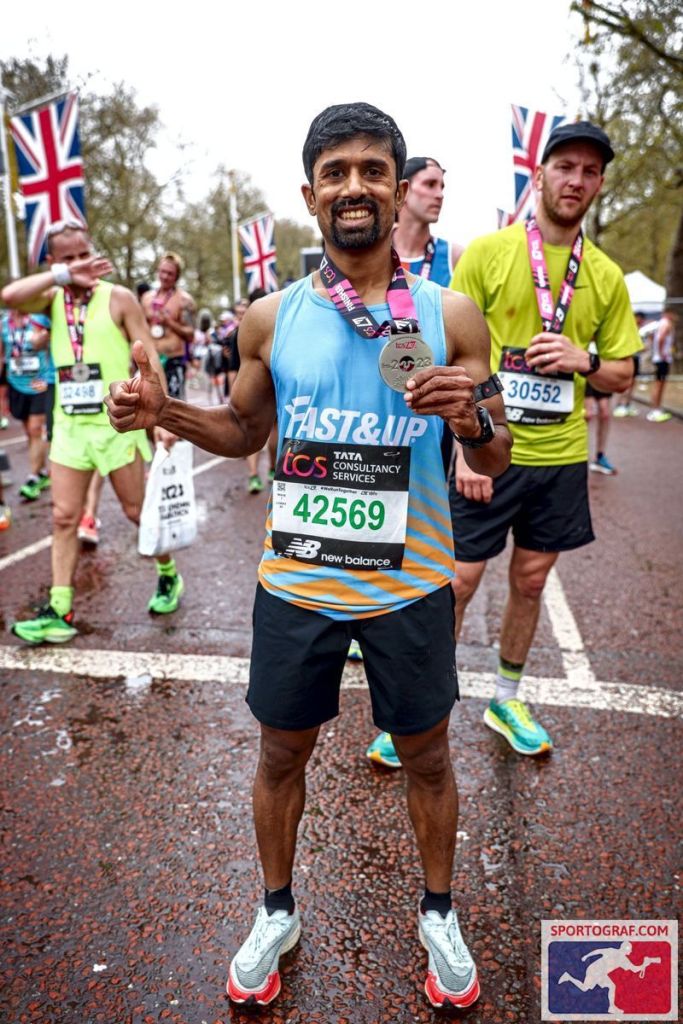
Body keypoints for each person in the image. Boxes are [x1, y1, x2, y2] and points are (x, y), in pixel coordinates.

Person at [105, 101, 511, 1010]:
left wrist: (469, 419)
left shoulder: (450, 314)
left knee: (427, 758)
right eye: (336, 173)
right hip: (297, 583)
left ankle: (438, 913)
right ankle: (276, 910)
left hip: (409, 582)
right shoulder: (268, 317)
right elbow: (243, 431)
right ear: (309, 194)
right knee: (281, 754)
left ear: (397, 190)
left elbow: (495, 458)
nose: (354, 187)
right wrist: (164, 412)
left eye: (372, 170)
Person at [449, 121, 642, 756]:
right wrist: (465, 447)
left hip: (559, 457)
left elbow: (623, 372)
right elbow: (452, 352)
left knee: (530, 582)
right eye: (565, 167)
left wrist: (584, 359)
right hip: (488, 451)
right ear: (539, 176)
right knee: (459, 581)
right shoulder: (488, 253)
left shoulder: (606, 275)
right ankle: (422, 707)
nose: (576, 180)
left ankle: (505, 697)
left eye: (590, 171)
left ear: (600, 184)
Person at [2, 218, 185, 644]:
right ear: (54, 263)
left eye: (85, 253)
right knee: (63, 516)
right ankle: (60, 609)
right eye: (68, 258)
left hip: (117, 425)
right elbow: (8, 296)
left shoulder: (118, 297)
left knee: (136, 512)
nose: (81, 263)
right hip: (69, 429)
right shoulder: (51, 298)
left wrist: (162, 418)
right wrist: (62, 277)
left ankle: (168, 574)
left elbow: (148, 357)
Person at [366, 154, 465, 766]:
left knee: (431, 561)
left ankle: (413, 700)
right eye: (430, 183)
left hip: (431, 427)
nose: (439, 194)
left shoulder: (451, 260)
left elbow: (472, 354)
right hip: (361, 427)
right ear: (403, 193)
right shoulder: (359, 257)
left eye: (442, 186)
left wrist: (472, 446)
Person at [0, 309, 53, 499]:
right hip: (16, 384)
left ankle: (33, 477)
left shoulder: (39, 319)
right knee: (29, 432)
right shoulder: (4, 324)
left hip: (39, 383)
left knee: (36, 429)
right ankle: (42, 472)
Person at [141, 252, 195, 400]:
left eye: (170, 273)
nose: (165, 276)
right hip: (151, 359)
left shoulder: (184, 300)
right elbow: (140, 329)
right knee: (149, 403)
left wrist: (169, 322)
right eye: (162, 272)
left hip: (173, 360)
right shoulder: (146, 298)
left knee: (174, 405)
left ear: (177, 276)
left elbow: (190, 334)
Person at [584, 356, 617, 475]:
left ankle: (600, 456)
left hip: (601, 368)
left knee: (605, 414)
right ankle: (577, 455)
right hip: (584, 368)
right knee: (587, 414)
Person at [646, 308, 677, 422]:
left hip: (659, 358)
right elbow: (661, 338)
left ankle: (655, 408)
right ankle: (655, 410)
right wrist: (662, 353)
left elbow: (653, 337)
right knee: (659, 385)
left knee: (658, 384)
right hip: (662, 359)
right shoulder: (666, 324)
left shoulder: (659, 324)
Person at [613, 311, 646, 418]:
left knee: (632, 383)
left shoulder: (640, 332)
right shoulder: (628, 330)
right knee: (624, 383)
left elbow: (641, 347)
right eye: (638, 319)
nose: (640, 321)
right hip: (628, 358)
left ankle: (627, 404)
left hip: (636, 359)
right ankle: (619, 405)